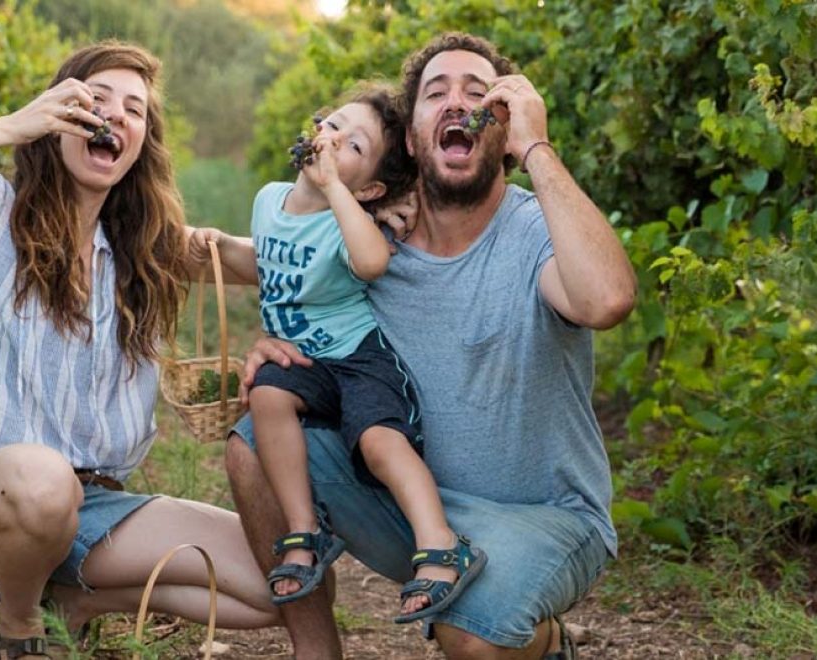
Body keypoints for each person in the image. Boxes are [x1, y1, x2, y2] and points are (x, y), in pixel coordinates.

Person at [0, 41, 278, 659]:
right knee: (42, 481)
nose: (115, 115)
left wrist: (363, 211)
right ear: (58, 118)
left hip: (94, 505)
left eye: (135, 109)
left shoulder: (144, 247)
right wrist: (13, 124)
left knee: (282, 579)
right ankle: (19, 630)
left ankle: (77, 599)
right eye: (96, 100)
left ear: (143, 140)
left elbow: (279, 265)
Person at [225, 32, 637, 659]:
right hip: (414, 509)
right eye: (435, 93)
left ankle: (545, 642)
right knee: (254, 442)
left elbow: (606, 299)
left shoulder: (533, 234)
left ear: (499, 130)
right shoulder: (373, 241)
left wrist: (537, 147)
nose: (457, 102)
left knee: (469, 636)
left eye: (479, 94)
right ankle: (316, 651)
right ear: (413, 140)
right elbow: (289, 284)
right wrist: (277, 346)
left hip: (545, 518)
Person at [192, 84, 483, 623]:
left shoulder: (347, 220)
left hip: (358, 359)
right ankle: (303, 532)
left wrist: (341, 194)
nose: (332, 140)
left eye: (353, 146)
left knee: (379, 441)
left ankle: (441, 544)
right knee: (268, 398)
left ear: (371, 187)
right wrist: (217, 244)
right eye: (331, 124)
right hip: (307, 363)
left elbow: (372, 262)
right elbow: (268, 267)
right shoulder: (266, 200)